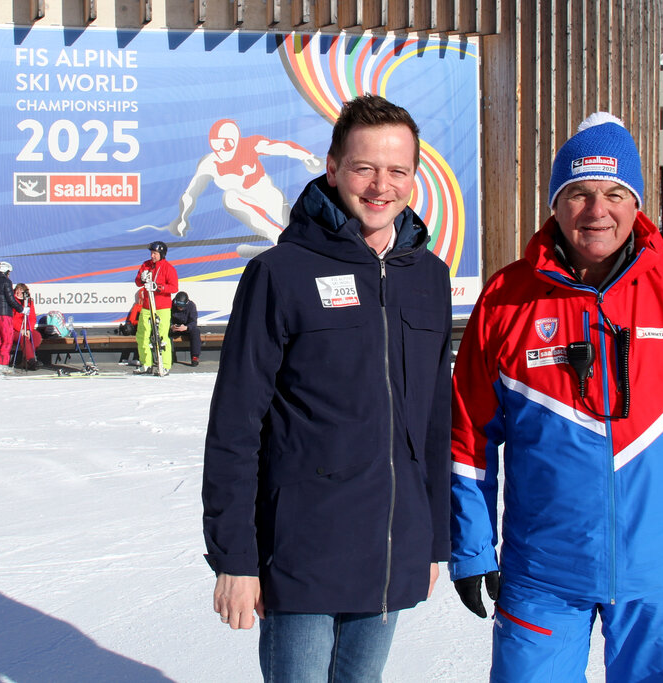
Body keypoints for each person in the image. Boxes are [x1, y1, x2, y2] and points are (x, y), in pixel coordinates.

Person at [448, 113, 663, 682]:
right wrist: (471, 544)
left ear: (636, 204)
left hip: (660, 577)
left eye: (614, 193)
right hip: (542, 577)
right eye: (579, 193)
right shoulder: (507, 298)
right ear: (556, 205)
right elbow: (468, 433)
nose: (596, 210)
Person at [201, 94, 452, 682]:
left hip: (391, 547)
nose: (380, 186)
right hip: (301, 552)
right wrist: (235, 558)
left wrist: (434, 539)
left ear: (415, 177)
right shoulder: (279, 274)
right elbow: (235, 427)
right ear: (334, 167)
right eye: (365, 167)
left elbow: (434, 422)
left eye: (397, 170)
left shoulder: (429, 279)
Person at [164, 119, 323, 252]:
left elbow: (281, 147)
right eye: (215, 144)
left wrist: (307, 156)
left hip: (265, 194)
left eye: (225, 144)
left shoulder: (250, 145)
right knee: (229, 197)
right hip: (242, 199)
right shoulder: (210, 163)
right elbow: (190, 193)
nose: (220, 150)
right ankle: (277, 238)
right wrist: (182, 218)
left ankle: (311, 245)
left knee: (292, 226)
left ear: (235, 141)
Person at [134, 241, 178, 373]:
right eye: (151, 253)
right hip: (147, 306)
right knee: (142, 334)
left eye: (155, 253)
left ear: (162, 254)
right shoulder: (146, 265)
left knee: (162, 336)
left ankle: (165, 365)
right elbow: (137, 282)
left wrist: (158, 287)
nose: (152, 256)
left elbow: (174, 287)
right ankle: (146, 363)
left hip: (162, 307)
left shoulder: (168, 268)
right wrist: (141, 279)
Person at [11, 283, 41, 371]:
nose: (18, 292)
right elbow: (11, 319)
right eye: (17, 290)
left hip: (25, 328)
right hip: (14, 329)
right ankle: (31, 360)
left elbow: (32, 318)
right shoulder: (11, 301)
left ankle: (26, 358)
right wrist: (21, 329)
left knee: (36, 336)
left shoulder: (29, 302)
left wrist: (28, 329)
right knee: (23, 338)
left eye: (21, 290)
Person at [170, 291, 201, 366]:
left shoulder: (191, 305)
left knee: (196, 331)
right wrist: (171, 326)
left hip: (186, 327)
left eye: (182, 306)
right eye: (178, 306)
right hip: (174, 327)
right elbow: (166, 319)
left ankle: (195, 356)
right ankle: (171, 355)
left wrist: (187, 327)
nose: (180, 308)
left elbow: (193, 321)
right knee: (165, 333)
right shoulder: (170, 305)